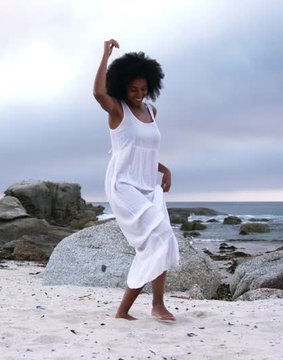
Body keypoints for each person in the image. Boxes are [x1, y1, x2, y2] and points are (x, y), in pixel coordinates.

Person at [93, 39, 180, 321]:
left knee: (163, 239)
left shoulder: (152, 112)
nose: (139, 94)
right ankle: (142, 307)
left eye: (143, 89)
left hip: (147, 185)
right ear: (122, 86)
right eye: (133, 89)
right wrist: (104, 56)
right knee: (153, 240)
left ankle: (150, 306)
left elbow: (145, 151)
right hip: (123, 185)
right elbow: (97, 93)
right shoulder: (117, 109)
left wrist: (164, 169)